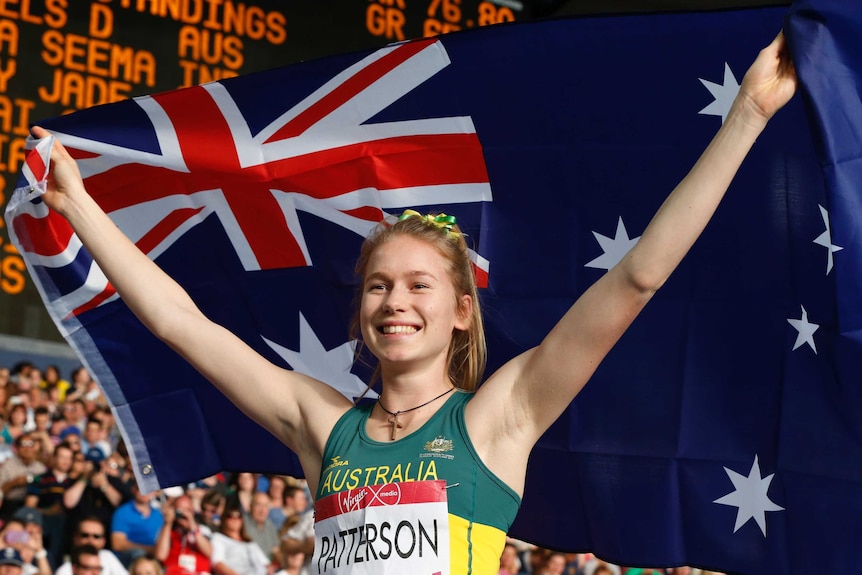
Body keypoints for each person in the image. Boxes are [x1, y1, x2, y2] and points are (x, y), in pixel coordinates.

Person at [31, 31, 797, 575]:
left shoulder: (502, 415)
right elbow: (179, 322)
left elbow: (636, 278)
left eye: (418, 284)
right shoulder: (322, 424)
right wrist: (78, 204)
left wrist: (747, 119)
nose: (394, 301)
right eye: (378, 285)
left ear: (463, 309)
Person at [154, 494, 212, 575]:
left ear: (192, 511)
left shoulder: (202, 530)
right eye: (180, 510)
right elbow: (160, 556)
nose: (184, 514)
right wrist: (168, 524)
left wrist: (193, 528)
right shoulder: (167, 531)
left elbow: (209, 552)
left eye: (187, 510)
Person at [55, 516, 128, 575]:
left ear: (103, 541)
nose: (90, 540)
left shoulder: (108, 557)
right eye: (85, 535)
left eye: (96, 536)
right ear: (75, 539)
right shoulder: (64, 571)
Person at [209, 504, 269, 575]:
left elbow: (266, 564)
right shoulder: (219, 538)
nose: (235, 519)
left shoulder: (250, 543)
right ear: (224, 519)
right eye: (230, 516)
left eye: (238, 517)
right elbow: (217, 564)